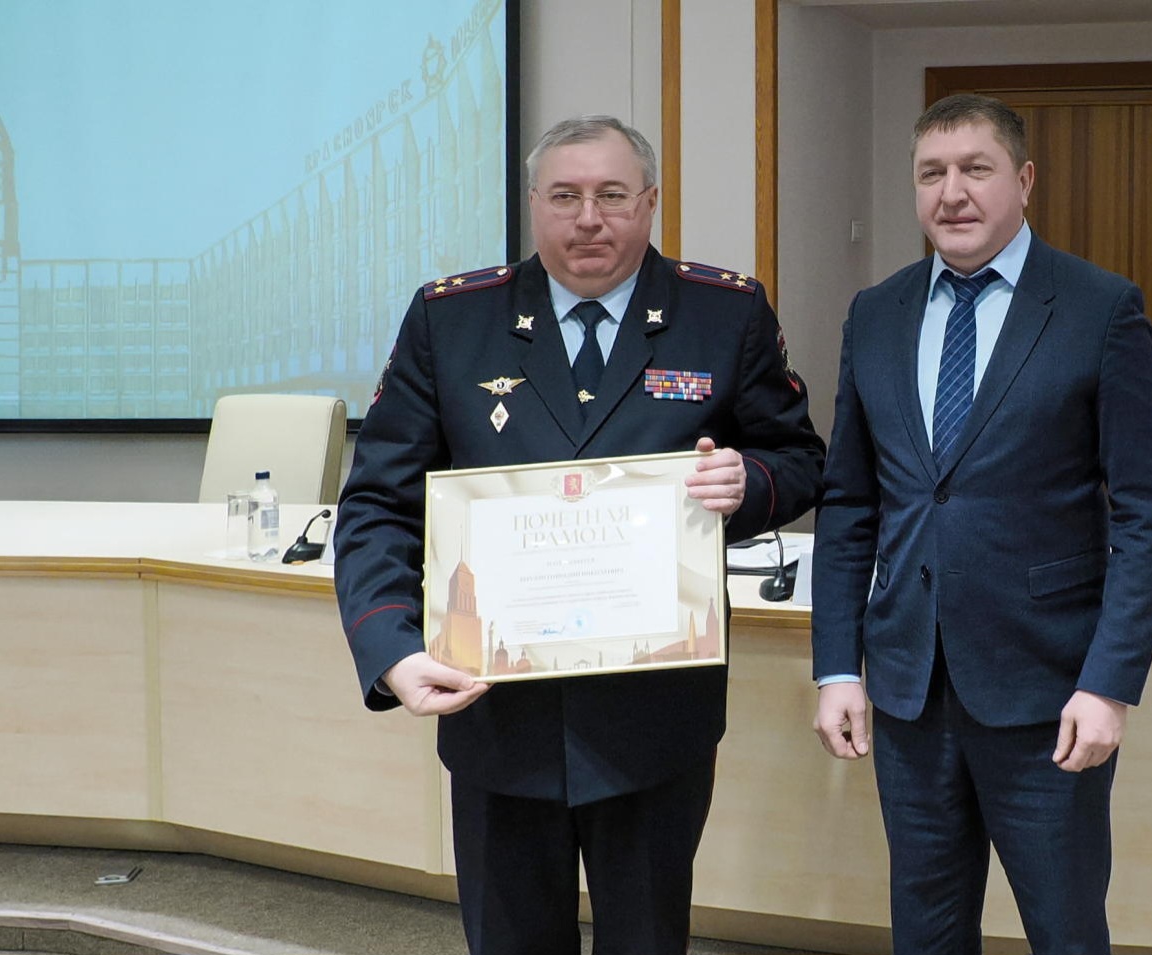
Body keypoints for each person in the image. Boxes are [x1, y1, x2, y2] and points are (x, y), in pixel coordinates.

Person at [333, 115, 824, 955]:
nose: (588, 218)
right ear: (533, 203)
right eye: (564, 196)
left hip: (654, 718)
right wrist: (392, 649)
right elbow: (379, 500)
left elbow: (801, 460)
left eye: (611, 195)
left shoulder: (723, 313)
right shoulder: (452, 319)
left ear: (650, 202)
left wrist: (749, 481)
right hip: (497, 712)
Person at [809, 93, 1152, 953]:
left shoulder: (1098, 307)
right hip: (908, 692)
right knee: (926, 933)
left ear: (1024, 179)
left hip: (1048, 692)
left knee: (1064, 931)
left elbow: (1146, 512)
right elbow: (850, 503)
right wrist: (837, 666)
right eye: (931, 173)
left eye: (976, 169)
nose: (952, 193)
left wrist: (1109, 684)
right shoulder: (876, 313)